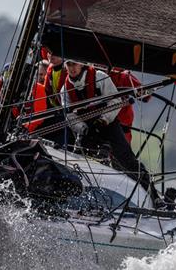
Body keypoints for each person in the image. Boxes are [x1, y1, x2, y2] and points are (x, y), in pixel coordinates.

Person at [61, 60, 160, 204]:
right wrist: (82, 128)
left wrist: (104, 120)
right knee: (77, 159)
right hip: (87, 129)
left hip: (109, 124)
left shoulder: (99, 77)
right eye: (69, 65)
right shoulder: (65, 89)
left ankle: (154, 196)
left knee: (128, 160)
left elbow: (115, 101)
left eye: (74, 64)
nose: (72, 68)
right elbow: (69, 115)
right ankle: (73, 198)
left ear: (82, 64)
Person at [107, 67, 150, 144]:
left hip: (120, 126)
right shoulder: (88, 72)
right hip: (99, 123)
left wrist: (134, 91)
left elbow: (146, 96)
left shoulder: (122, 76)